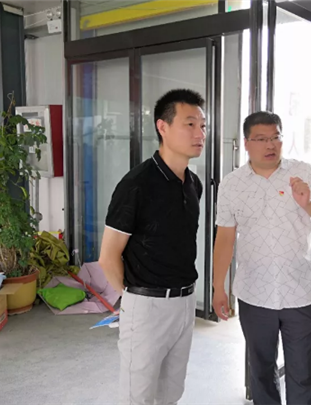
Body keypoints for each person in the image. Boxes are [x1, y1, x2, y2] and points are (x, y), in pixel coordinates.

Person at [212, 111, 311, 405]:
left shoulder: (303, 172)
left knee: (303, 373)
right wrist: (219, 287)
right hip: (254, 294)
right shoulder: (232, 184)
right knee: (260, 370)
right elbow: (225, 238)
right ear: (246, 143)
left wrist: (309, 204)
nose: (270, 145)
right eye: (261, 139)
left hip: (301, 293)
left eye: (275, 137)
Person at [98, 89, 206, 405]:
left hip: (185, 302)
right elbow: (108, 257)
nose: (200, 134)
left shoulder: (193, 184)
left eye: (203, 126)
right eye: (190, 124)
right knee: (139, 396)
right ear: (163, 127)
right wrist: (134, 298)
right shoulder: (136, 185)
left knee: (171, 393)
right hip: (147, 306)